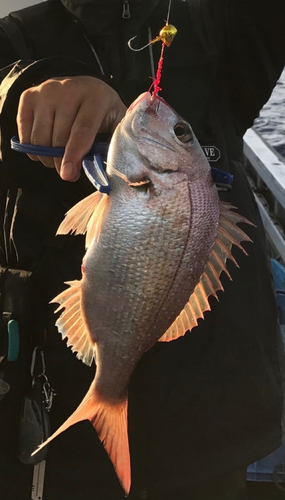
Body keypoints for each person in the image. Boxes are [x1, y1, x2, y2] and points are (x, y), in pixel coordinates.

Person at [0, 1, 284, 499]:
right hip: (52, 408)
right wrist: (30, 86)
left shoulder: (224, 25)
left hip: (209, 419)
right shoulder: (17, 34)